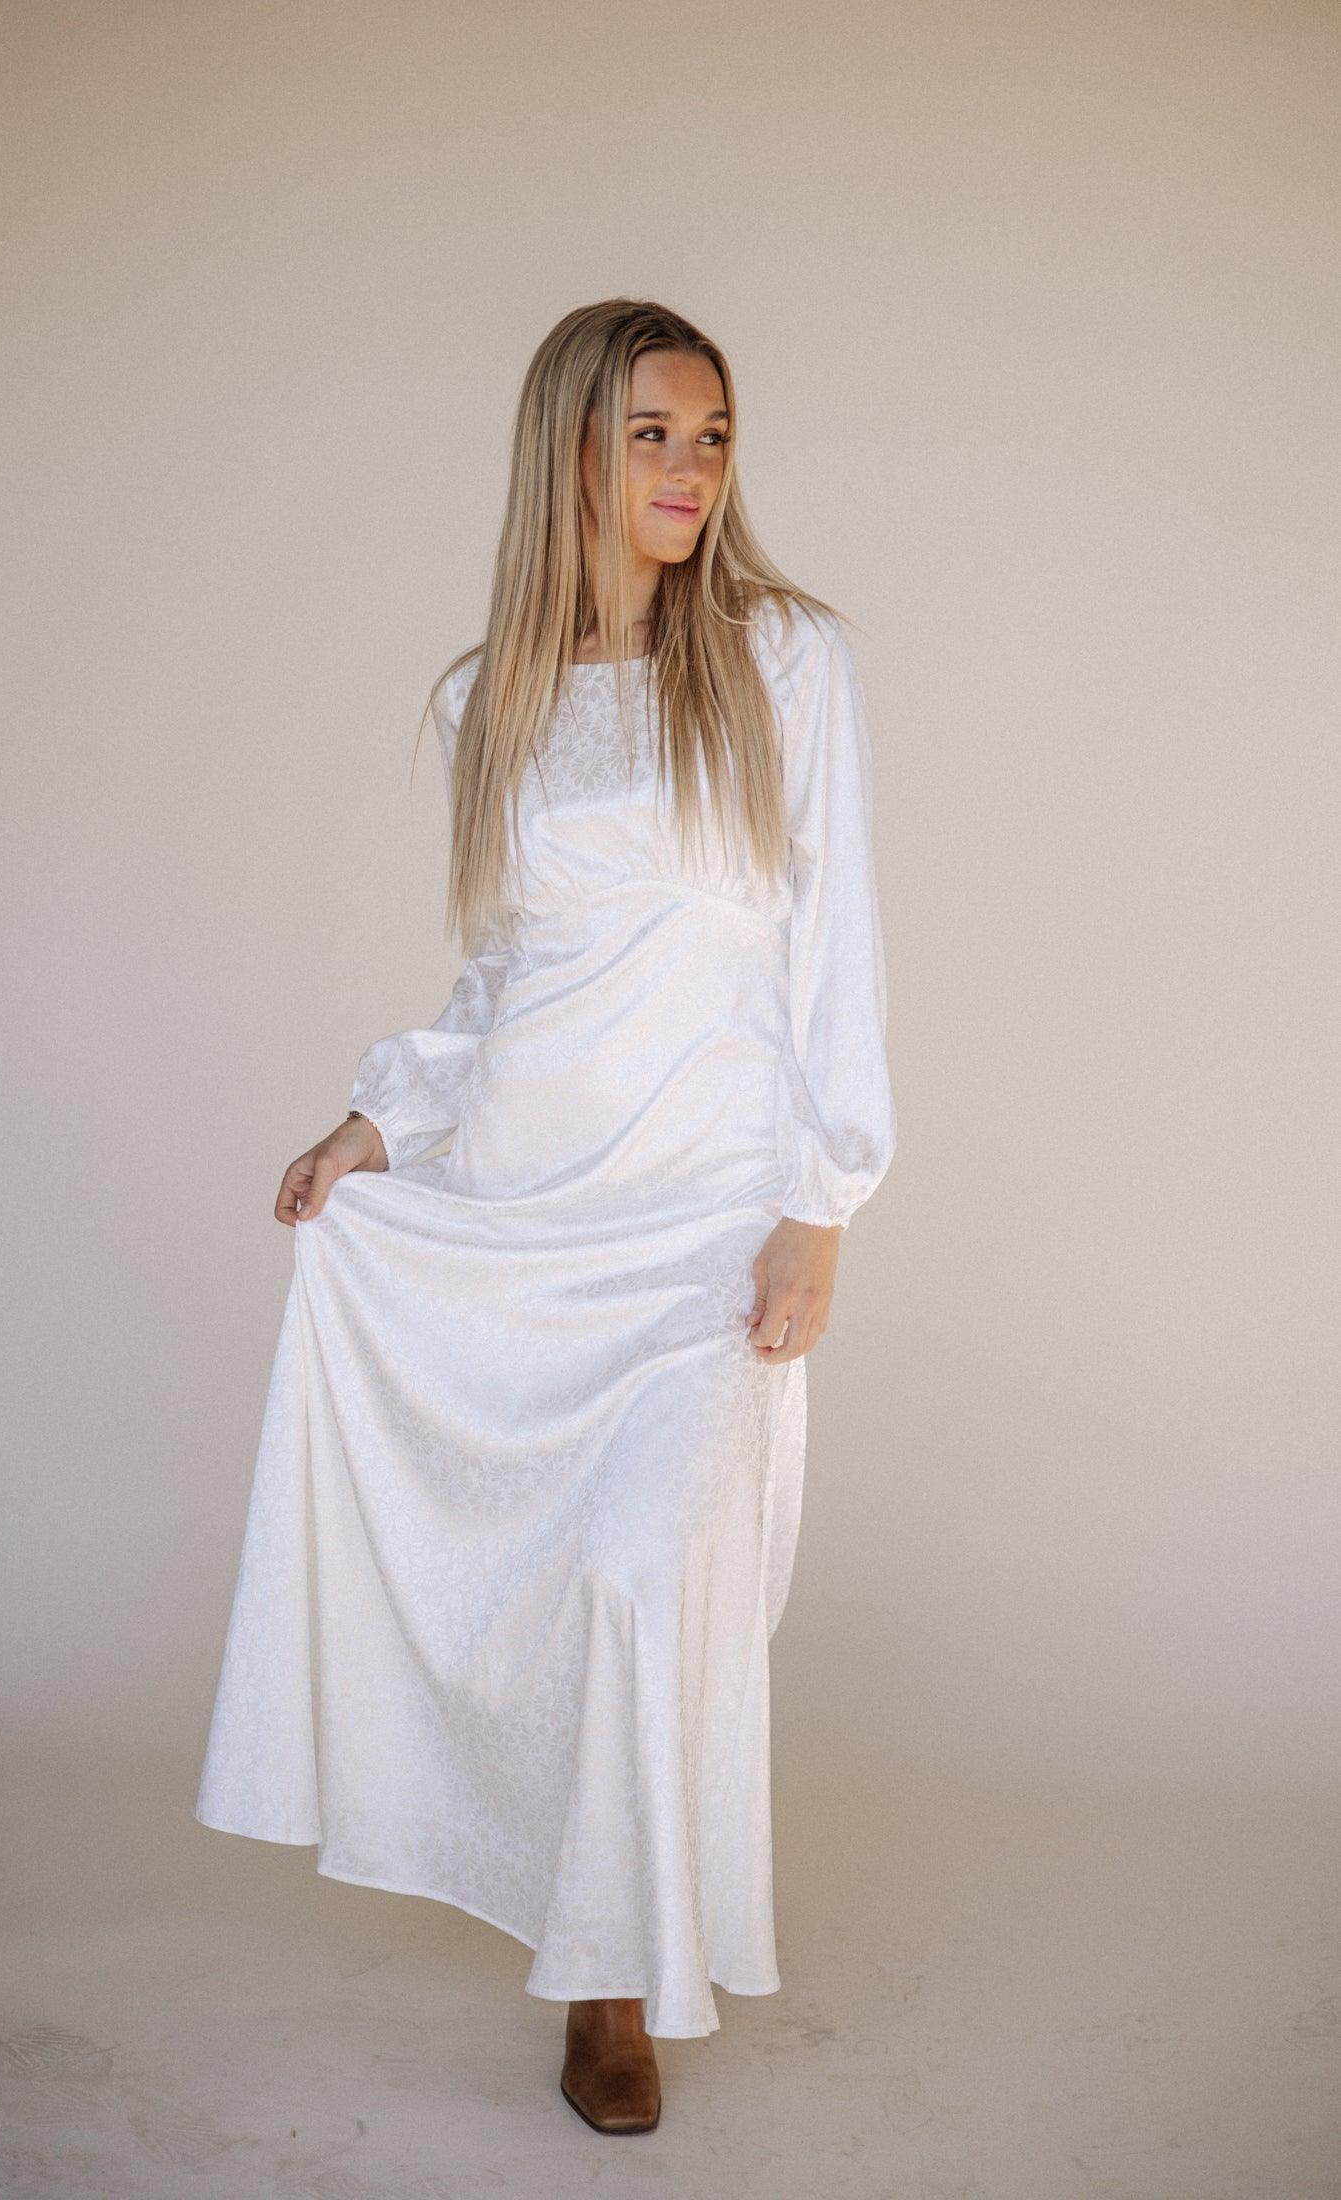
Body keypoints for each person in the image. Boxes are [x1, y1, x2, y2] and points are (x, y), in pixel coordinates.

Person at [194, 296, 896, 2137]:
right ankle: (595, 1975)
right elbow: (509, 978)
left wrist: (820, 1205)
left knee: (642, 1575)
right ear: (571, 451)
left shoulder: (788, 662)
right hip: (522, 1212)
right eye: (651, 433)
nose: (689, 470)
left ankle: (619, 1978)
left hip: (704, 1225)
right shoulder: (485, 698)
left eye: (712, 435)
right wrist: (382, 1119)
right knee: (545, 1599)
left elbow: (836, 953)